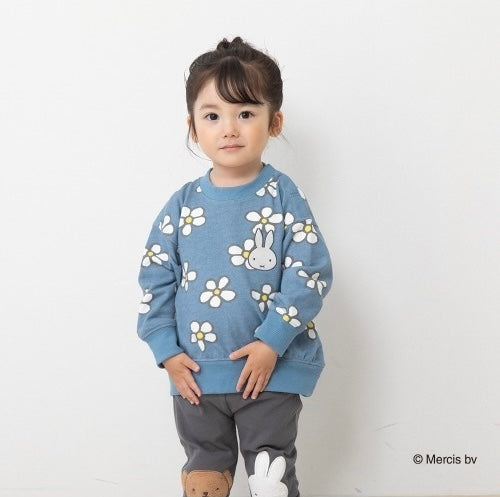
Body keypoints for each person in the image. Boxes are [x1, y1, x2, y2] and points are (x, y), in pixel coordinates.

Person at [137, 36, 334, 497]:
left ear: (274, 122)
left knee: (270, 477)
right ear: (193, 128)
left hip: (269, 372)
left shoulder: (284, 197)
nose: (229, 128)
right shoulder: (181, 205)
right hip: (195, 378)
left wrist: (271, 342)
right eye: (212, 116)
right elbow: (155, 279)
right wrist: (165, 350)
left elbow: (309, 273)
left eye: (245, 113)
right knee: (204, 477)